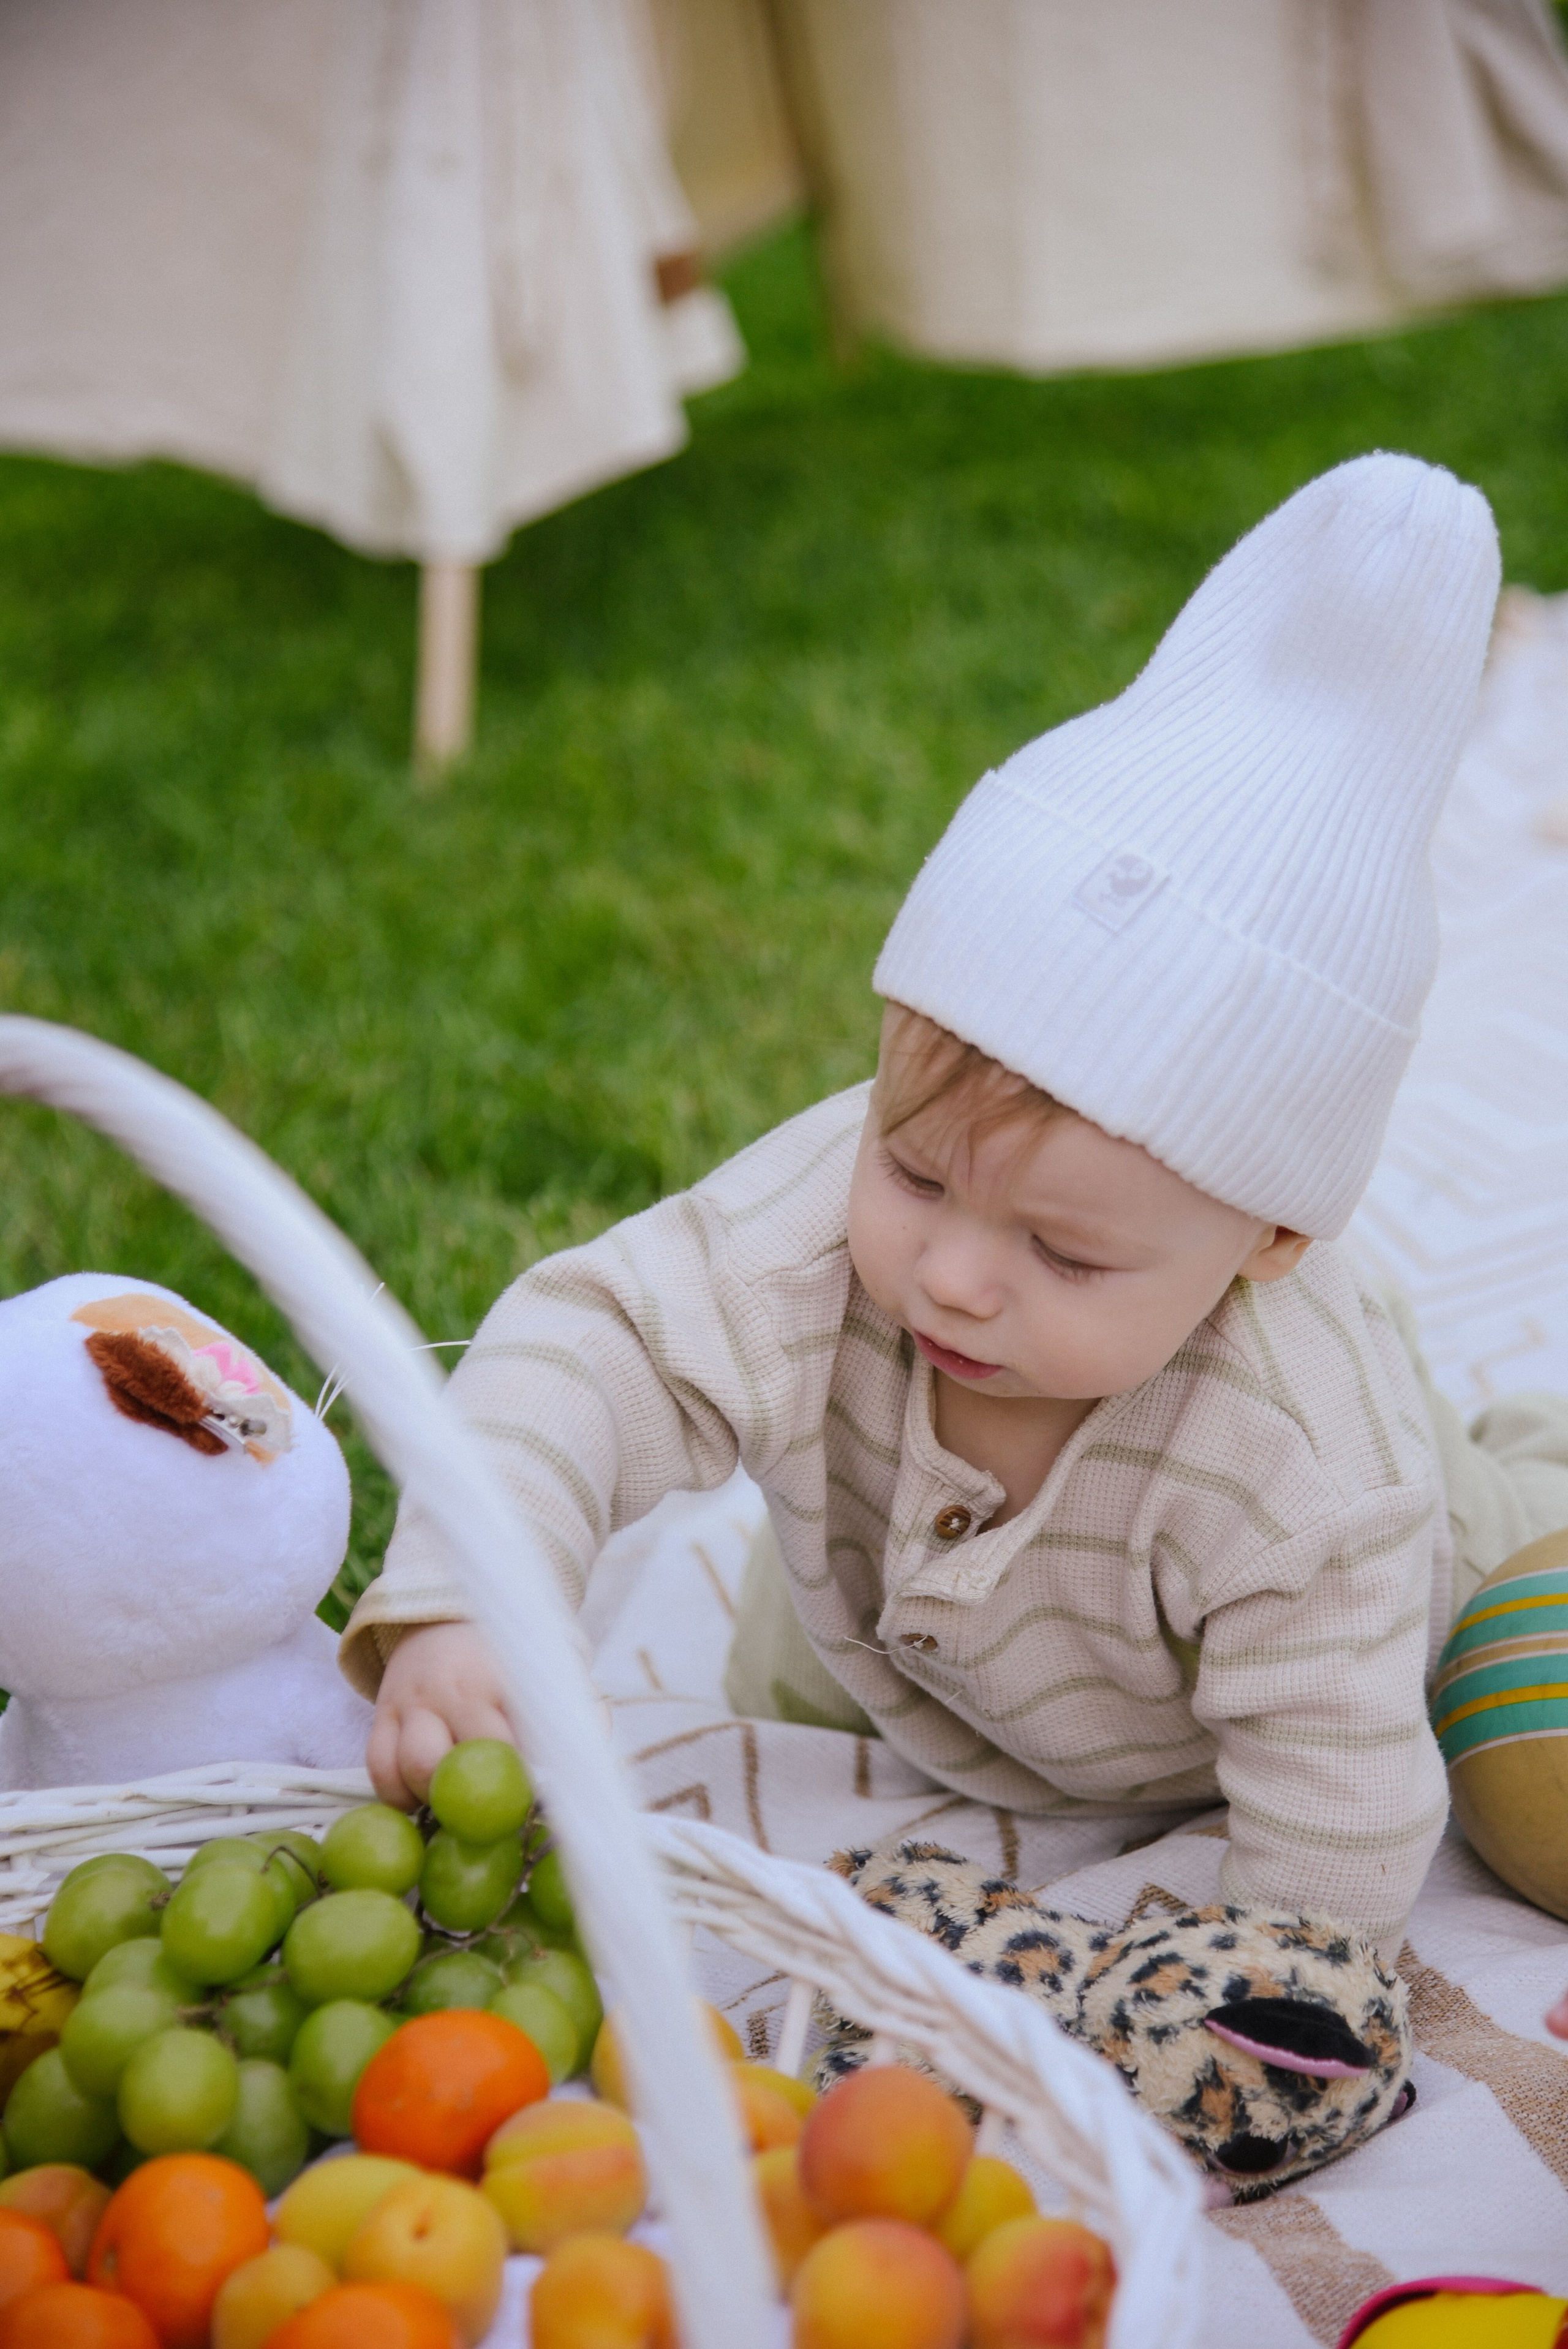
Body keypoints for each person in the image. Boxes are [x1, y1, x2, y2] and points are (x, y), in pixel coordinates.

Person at [344, 453, 1568, 1961]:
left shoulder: (1309, 1469)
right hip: (885, 1653)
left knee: (1519, 1632)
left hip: (1323, 1646)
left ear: (1267, 1240)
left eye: (1063, 1249)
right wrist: (470, 1597)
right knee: (774, 1726)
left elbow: (1337, 1815)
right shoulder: (820, 1224)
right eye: (913, 1172)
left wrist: (1268, 2000)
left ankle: (1535, 1462)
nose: (953, 1277)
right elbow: (590, 1345)